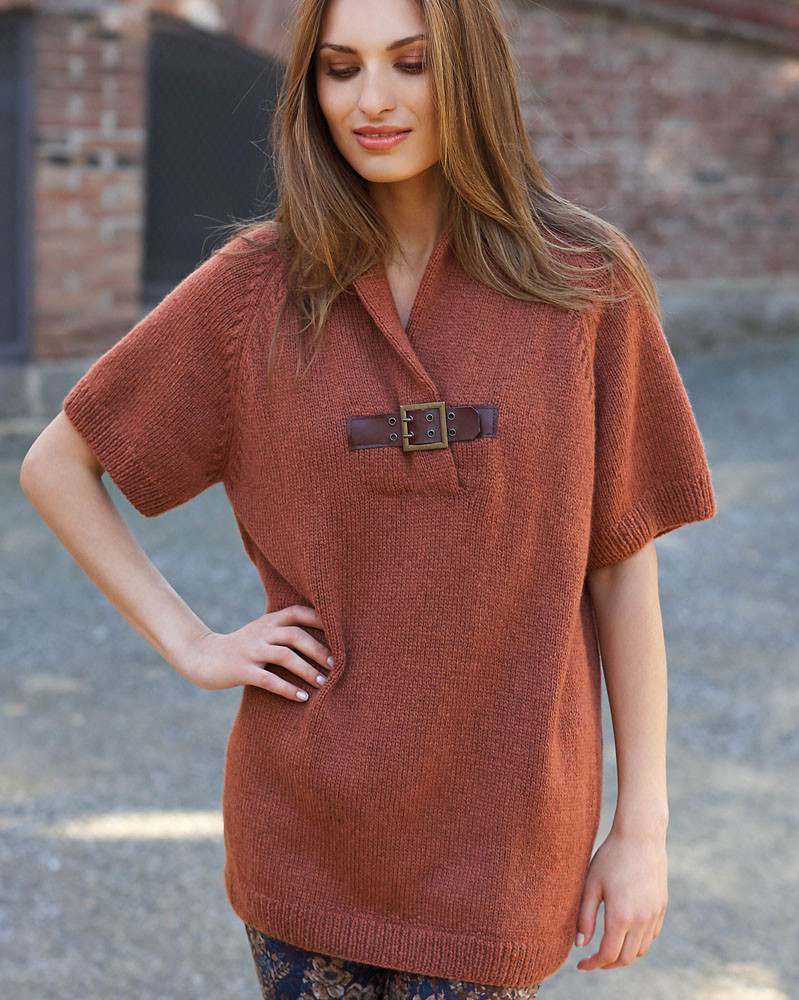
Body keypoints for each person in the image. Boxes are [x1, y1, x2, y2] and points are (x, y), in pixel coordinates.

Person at [19, 0, 718, 995]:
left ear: (468, 73)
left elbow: (620, 571)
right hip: (304, 837)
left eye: (409, 64)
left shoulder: (583, 284)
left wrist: (640, 828)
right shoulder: (257, 288)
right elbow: (57, 464)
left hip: (506, 850)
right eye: (340, 70)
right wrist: (194, 642)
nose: (371, 101)